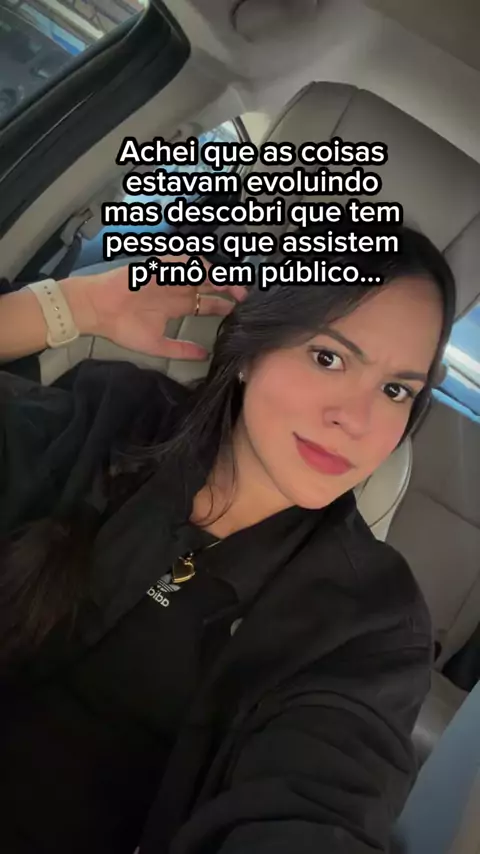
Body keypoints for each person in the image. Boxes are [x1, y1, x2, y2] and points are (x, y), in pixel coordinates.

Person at [0, 226, 455, 854]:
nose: (356, 419)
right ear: (247, 352)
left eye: (396, 389)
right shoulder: (112, 417)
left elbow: (321, 799)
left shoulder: (371, 621)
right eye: (328, 357)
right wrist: (73, 307)